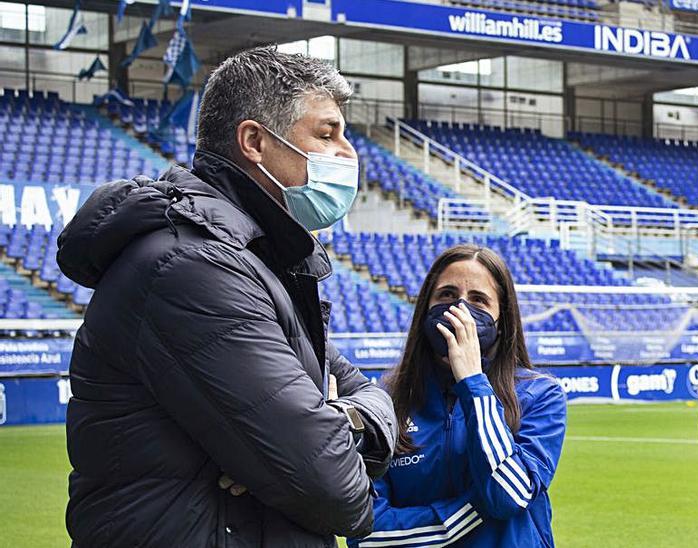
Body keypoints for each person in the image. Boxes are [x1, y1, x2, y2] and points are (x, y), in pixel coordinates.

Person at [57, 47, 396, 546]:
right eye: (327, 133)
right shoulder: (193, 266)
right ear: (255, 141)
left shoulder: (257, 262)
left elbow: (371, 394)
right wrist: (329, 436)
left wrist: (340, 418)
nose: (348, 153)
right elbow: (334, 487)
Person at [351, 244, 567, 547]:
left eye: (478, 300)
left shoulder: (539, 395)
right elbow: (366, 533)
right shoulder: (387, 400)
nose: (459, 311)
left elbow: (507, 495)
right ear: (425, 309)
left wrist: (473, 382)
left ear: (502, 321)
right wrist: (465, 515)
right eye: (447, 295)